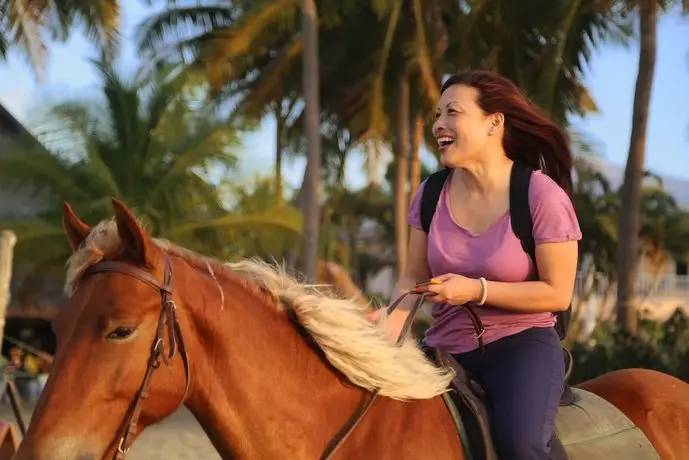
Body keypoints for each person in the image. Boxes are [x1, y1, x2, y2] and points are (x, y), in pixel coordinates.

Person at [376, 70, 581, 459]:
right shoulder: (431, 192)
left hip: (521, 345)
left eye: (452, 113)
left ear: (494, 122)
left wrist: (475, 289)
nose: (439, 125)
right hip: (442, 350)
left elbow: (558, 292)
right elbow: (412, 276)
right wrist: (391, 319)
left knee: (520, 445)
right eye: (437, 115)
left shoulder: (540, 195)